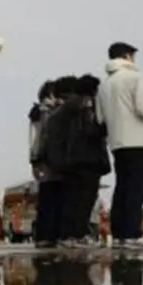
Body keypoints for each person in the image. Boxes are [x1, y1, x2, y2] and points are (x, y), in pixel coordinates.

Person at [96, 42, 143, 247]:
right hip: (138, 139)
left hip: (117, 141)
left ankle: (119, 231)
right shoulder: (136, 77)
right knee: (136, 187)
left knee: (122, 185)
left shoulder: (105, 84)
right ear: (128, 56)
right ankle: (132, 232)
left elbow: (101, 119)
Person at [48, 74, 110, 247]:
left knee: (71, 199)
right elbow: (91, 130)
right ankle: (79, 234)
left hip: (71, 161)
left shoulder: (64, 109)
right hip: (89, 159)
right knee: (85, 200)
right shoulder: (87, 106)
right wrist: (105, 129)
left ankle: (68, 235)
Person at [29, 80, 60, 248]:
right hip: (48, 157)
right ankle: (47, 235)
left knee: (46, 197)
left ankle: (43, 235)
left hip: (40, 156)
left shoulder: (37, 112)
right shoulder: (47, 112)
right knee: (51, 197)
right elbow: (45, 137)